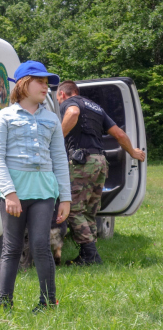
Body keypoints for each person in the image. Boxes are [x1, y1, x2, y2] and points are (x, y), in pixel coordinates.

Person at [0, 61, 71, 312]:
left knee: (40, 245)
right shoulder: (5, 116)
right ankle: (5, 305)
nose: (46, 88)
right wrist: (10, 194)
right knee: (12, 248)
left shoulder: (51, 119)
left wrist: (65, 198)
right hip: (13, 193)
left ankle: (47, 303)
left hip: (44, 192)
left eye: (48, 83)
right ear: (24, 85)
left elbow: (59, 158)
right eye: (41, 82)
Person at [56, 80, 147, 265]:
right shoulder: (96, 108)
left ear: (63, 94)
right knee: (89, 211)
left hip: (82, 163)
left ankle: (90, 255)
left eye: (58, 99)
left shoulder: (70, 103)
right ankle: (88, 256)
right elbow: (119, 135)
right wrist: (133, 152)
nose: (59, 103)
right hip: (100, 162)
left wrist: (56, 139)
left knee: (72, 209)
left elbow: (73, 112)